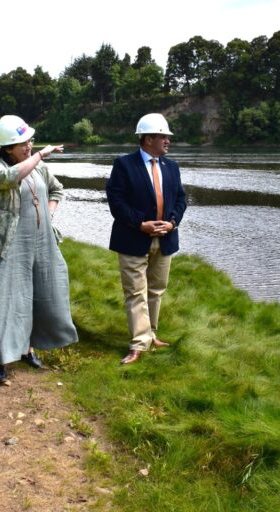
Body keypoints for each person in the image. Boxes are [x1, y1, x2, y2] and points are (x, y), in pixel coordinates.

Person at [0, 115, 78, 384]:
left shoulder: (38, 168)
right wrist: (40, 156)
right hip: (10, 244)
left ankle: (28, 349)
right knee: (7, 297)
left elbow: (57, 190)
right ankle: (1, 358)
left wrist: (48, 215)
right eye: (23, 143)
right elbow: (9, 178)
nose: (29, 146)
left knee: (41, 293)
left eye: (30, 141)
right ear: (7, 147)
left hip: (42, 240)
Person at [106, 113, 187, 365]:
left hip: (165, 239)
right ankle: (139, 343)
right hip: (132, 238)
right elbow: (116, 201)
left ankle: (151, 334)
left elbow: (181, 199)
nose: (168, 141)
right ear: (148, 138)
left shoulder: (171, 166)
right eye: (163, 136)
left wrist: (172, 222)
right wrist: (140, 224)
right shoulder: (124, 165)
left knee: (156, 290)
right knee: (135, 292)